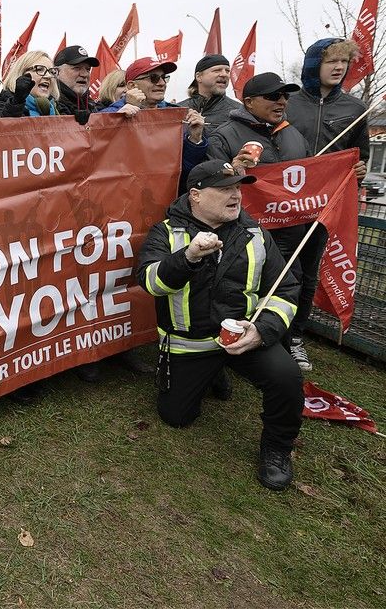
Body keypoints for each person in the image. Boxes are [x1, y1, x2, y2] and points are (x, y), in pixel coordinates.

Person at [137, 159, 302, 491]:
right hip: (190, 346)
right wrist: (188, 257)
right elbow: (150, 283)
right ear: (196, 196)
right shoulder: (166, 232)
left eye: (238, 188)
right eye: (225, 189)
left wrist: (263, 330)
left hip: (245, 337)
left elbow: (285, 289)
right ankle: (212, 373)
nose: (236, 196)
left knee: (287, 377)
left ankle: (276, 450)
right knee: (176, 417)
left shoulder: (256, 233)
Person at [207, 73, 318, 371]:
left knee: (289, 285)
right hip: (247, 232)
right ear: (249, 102)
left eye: (285, 95)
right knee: (243, 289)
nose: (282, 101)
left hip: (291, 230)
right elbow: (211, 187)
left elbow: (311, 176)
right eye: (273, 96)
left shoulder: (294, 135)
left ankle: (288, 341)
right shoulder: (224, 136)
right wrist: (234, 170)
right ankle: (233, 345)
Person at [101, 57, 209, 192]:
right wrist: (116, 120)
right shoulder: (109, 114)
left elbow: (186, 169)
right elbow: (100, 161)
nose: (162, 83)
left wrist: (195, 139)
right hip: (123, 196)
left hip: (165, 198)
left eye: (164, 77)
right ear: (132, 86)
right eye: (153, 78)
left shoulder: (177, 116)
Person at [285, 38, 369, 181]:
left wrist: (360, 169)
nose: (339, 67)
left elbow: (360, 156)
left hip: (331, 194)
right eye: (332, 61)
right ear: (314, 65)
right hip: (289, 192)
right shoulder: (284, 103)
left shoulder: (356, 108)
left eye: (344, 61)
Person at [179, 54, 241, 133]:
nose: (224, 74)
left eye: (227, 71)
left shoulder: (237, 113)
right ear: (199, 77)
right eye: (217, 70)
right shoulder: (178, 110)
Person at [0, 50, 60, 116]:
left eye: (51, 72)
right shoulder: (1, 106)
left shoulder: (57, 109)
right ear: (22, 74)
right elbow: (3, 124)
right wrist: (17, 102)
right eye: (40, 69)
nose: (48, 76)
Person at [52, 45, 99, 119]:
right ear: (56, 72)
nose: (85, 74)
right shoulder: (51, 106)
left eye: (88, 69)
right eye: (76, 68)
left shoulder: (92, 106)